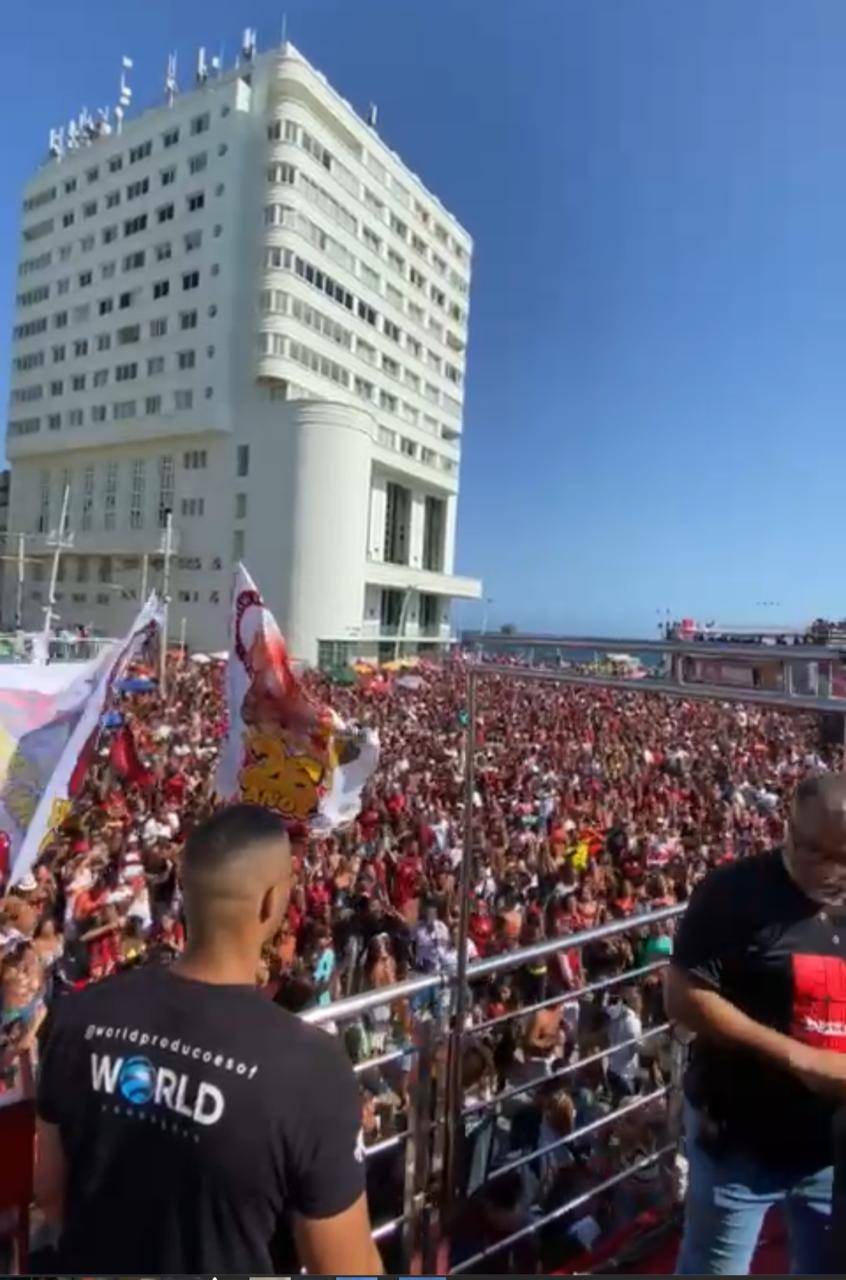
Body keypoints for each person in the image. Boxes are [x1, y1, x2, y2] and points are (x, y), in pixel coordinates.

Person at [34, 804, 382, 1276]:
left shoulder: (78, 1014)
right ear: (270, 902)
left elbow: (50, 1194)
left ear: (183, 887)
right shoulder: (312, 1069)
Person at [668, 774, 846, 1275]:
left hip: (830, 1146)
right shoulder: (732, 893)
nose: (821, 866)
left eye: (838, 856)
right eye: (809, 847)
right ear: (786, 828)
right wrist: (795, 1056)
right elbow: (683, 997)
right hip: (740, 1140)